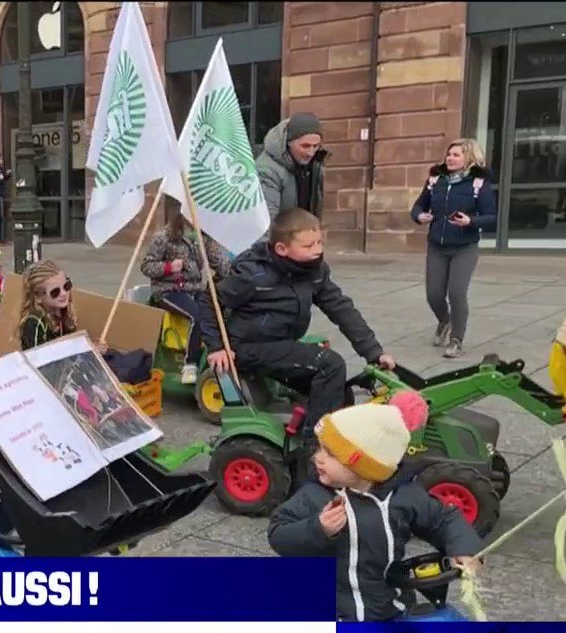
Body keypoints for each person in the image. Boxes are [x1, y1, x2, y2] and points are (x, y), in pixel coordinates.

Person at [268, 391, 483, 622]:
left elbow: (442, 519)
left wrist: (465, 547)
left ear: (363, 464)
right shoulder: (315, 496)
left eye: (330, 453)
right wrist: (317, 528)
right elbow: (279, 533)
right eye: (320, 449)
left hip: (392, 609)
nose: (317, 458)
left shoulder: (403, 496)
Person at [202, 208, 395, 436]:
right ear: (282, 249)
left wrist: (374, 352)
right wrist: (216, 347)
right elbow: (210, 300)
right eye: (308, 246)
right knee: (330, 364)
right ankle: (316, 443)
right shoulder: (253, 275)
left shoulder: (314, 272)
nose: (318, 250)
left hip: (282, 344)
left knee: (340, 395)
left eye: (319, 243)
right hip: (247, 347)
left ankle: (324, 434)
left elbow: (342, 310)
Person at [410, 138, 497, 360]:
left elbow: (492, 218)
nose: (450, 158)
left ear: (469, 158)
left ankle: (456, 339)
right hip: (437, 246)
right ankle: (444, 321)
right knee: (434, 295)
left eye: (456, 155)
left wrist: (470, 221)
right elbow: (419, 205)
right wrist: (420, 215)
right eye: (449, 154)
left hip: (464, 247)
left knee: (457, 293)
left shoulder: (479, 184)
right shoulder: (435, 180)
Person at [140, 212, 233, 384]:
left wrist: (236, 272)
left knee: (220, 312)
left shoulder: (203, 237)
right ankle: (190, 365)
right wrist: (168, 267)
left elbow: (220, 263)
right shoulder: (164, 237)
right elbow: (146, 266)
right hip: (169, 290)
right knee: (196, 316)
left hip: (196, 289)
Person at [255, 113, 327, 240]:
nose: (311, 152)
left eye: (315, 146)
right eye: (305, 146)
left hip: (301, 240)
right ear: (289, 143)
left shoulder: (315, 165)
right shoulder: (267, 170)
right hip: (280, 243)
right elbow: (264, 224)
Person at [18, 259, 80, 351]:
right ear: (38, 296)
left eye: (67, 286)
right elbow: (37, 359)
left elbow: (70, 351)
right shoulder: (35, 322)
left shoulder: (64, 313)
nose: (63, 293)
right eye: (55, 292)